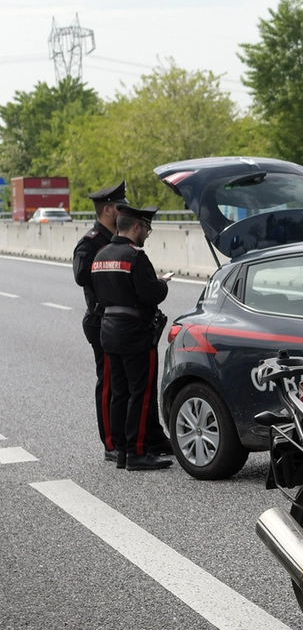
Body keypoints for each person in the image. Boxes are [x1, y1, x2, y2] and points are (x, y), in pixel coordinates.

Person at [91, 204, 173, 471]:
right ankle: (137, 453)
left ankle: (122, 452)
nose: (147, 234)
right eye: (146, 228)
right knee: (141, 393)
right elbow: (151, 294)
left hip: (109, 331)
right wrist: (161, 283)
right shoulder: (135, 256)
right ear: (136, 227)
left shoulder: (101, 255)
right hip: (135, 334)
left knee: (119, 393)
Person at [72, 181, 127, 461]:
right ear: (108, 209)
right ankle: (110, 443)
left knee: (126, 382)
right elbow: (81, 274)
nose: (125, 210)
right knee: (108, 383)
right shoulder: (91, 242)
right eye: (120, 206)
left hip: (120, 322)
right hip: (101, 321)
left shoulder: (120, 238)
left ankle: (129, 437)